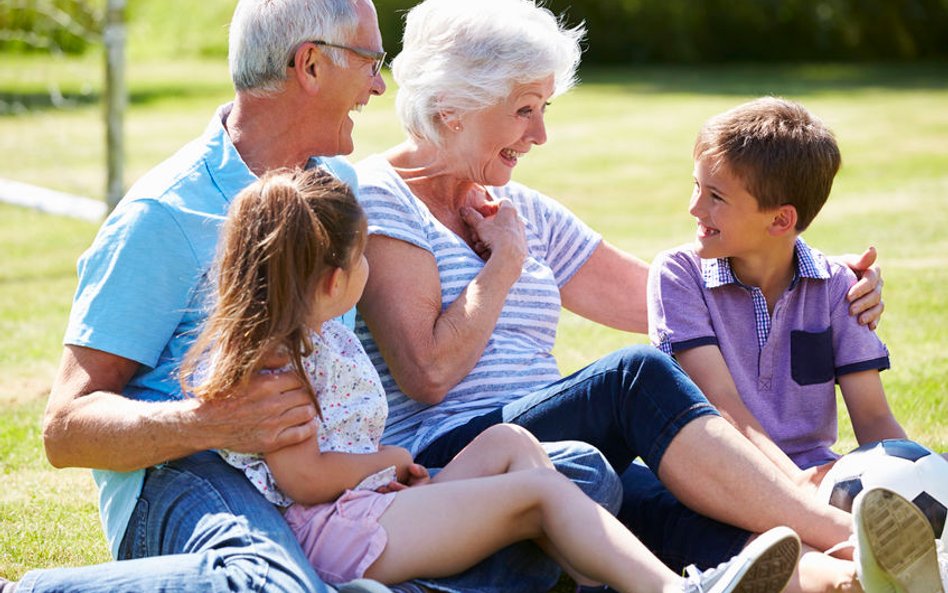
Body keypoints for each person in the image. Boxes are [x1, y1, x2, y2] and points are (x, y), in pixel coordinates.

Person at [352, 0, 886, 591]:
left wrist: (821, 282)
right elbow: (427, 372)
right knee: (634, 379)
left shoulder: (519, 207)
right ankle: (845, 529)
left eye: (543, 109)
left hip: (556, 452)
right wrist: (505, 262)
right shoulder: (381, 199)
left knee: (674, 497)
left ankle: (840, 578)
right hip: (451, 460)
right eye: (524, 110)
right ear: (454, 109)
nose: (541, 134)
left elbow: (669, 302)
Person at [181, 165, 805, 593]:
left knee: (513, 445)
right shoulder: (274, 367)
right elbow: (302, 478)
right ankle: (676, 588)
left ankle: (592, 571)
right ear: (329, 280)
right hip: (339, 530)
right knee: (546, 494)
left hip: (366, 505)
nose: (368, 269)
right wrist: (390, 457)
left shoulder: (317, 339)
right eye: (361, 257)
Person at [19, 1, 393, 592]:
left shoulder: (338, 190)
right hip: (189, 471)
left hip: (313, 471)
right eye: (372, 60)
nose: (377, 85)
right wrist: (211, 422)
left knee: (554, 488)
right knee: (268, 585)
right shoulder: (165, 213)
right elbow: (65, 428)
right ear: (311, 65)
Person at [646, 96, 943, 593]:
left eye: (715, 196)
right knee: (803, 554)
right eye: (697, 187)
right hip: (716, 480)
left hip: (817, 483)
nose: (693, 208)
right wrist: (797, 491)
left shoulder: (835, 287)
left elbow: (873, 421)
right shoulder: (678, 275)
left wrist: (929, 483)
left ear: (780, 221)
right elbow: (723, 407)